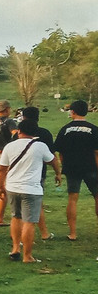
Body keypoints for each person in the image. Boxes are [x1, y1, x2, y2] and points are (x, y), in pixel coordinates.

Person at [0, 118, 55, 263]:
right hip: (31, 189)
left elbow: (2, 168)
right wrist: (58, 173)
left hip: (12, 187)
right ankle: (27, 256)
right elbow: (52, 160)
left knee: (15, 217)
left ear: (19, 131)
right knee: (29, 222)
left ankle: (15, 248)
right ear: (35, 133)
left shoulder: (10, 147)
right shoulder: (40, 146)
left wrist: (0, 187)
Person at [53, 100, 98, 241]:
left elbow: (60, 152)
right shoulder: (94, 129)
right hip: (91, 167)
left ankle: (72, 233)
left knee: (72, 199)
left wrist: (64, 165)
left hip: (72, 168)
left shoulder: (65, 129)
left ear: (72, 112)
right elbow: (97, 152)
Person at [21, 106, 61, 241]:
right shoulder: (45, 133)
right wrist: (58, 173)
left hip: (18, 175)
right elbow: (52, 156)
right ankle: (44, 233)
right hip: (38, 173)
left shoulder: (18, 135)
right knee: (37, 204)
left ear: (23, 117)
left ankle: (19, 237)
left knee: (19, 208)